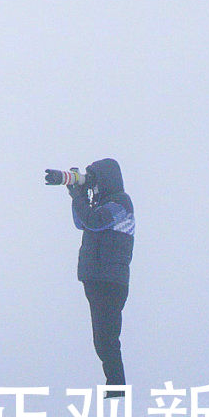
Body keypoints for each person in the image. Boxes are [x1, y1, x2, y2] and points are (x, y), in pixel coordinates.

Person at [50, 158, 135, 394]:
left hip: (111, 280)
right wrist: (77, 197)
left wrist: (80, 198)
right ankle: (115, 390)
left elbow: (93, 222)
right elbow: (82, 223)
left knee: (107, 339)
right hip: (97, 278)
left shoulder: (120, 203)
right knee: (102, 340)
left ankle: (118, 391)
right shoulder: (102, 205)